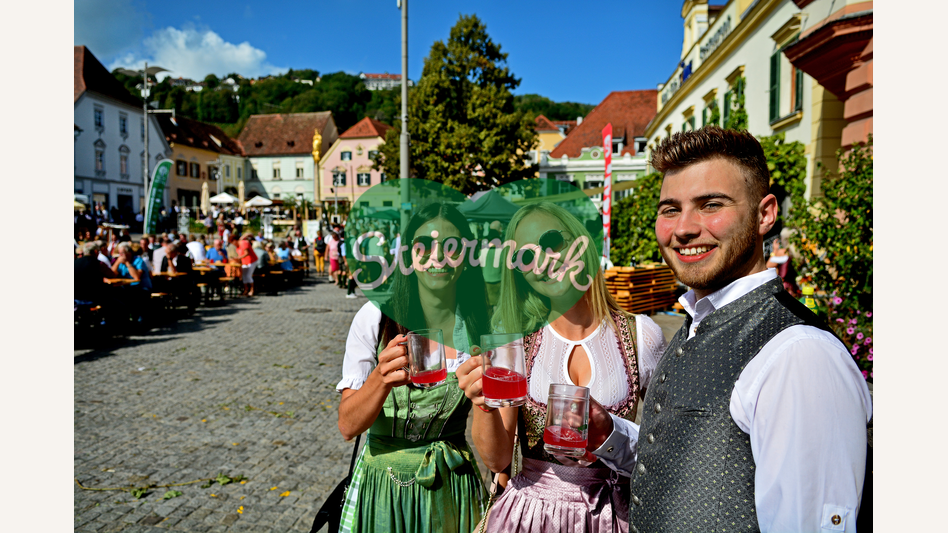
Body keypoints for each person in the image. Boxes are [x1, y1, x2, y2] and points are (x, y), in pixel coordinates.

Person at [625, 126, 872, 531]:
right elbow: (681, 461)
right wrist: (610, 435)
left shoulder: (798, 354)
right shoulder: (697, 320)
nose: (683, 228)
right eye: (670, 209)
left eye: (710, 205)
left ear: (765, 214)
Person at [456, 202, 667, 533]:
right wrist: (482, 404)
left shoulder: (642, 335)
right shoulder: (517, 343)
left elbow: (670, 445)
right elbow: (497, 460)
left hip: (614, 516)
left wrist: (612, 440)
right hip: (532, 517)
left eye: (551, 241)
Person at [337, 202, 490, 533]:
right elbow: (348, 426)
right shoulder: (374, 318)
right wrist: (380, 379)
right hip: (381, 491)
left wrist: (485, 400)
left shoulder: (479, 327)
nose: (437, 258)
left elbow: (495, 450)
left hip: (453, 487)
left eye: (450, 247)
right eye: (424, 247)